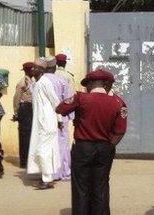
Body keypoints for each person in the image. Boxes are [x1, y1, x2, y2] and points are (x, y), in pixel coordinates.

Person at [56, 69, 128, 215]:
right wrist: (108, 146)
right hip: (104, 148)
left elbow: (60, 109)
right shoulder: (118, 102)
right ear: (106, 84)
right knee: (101, 187)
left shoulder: (81, 98)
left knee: (81, 188)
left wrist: (76, 98)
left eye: (87, 85)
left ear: (90, 84)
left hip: (83, 148)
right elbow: (120, 131)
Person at [27, 58, 61, 190]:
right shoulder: (37, 83)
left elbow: (56, 101)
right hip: (41, 123)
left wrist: (58, 119)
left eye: (35, 67)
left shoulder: (45, 82)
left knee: (43, 151)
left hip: (47, 123)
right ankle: (46, 177)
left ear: (42, 70)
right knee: (42, 150)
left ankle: (48, 180)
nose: (32, 69)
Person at [43, 58, 74, 181]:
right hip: (61, 117)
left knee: (48, 145)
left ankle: (50, 173)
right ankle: (64, 172)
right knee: (63, 145)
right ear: (54, 67)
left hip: (45, 118)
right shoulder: (62, 81)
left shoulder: (40, 81)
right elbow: (68, 99)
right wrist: (71, 117)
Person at [13, 62, 34, 168]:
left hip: (32, 108)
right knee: (24, 135)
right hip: (25, 109)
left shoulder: (33, 81)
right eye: (32, 69)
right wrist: (16, 112)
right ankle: (24, 161)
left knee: (31, 134)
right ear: (27, 70)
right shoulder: (22, 83)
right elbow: (16, 98)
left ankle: (30, 159)